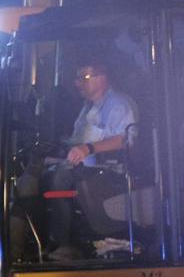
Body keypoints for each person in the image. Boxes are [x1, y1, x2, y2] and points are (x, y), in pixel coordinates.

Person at [42, 59, 138, 261]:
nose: (77, 83)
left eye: (84, 77)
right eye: (77, 78)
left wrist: (89, 148)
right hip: (84, 165)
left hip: (110, 171)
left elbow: (124, 140)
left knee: (60, 179)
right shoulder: (88, 108)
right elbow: (78, 139)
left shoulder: (118, 105)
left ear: (102, 78)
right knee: (41, 172)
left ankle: (65, 242)